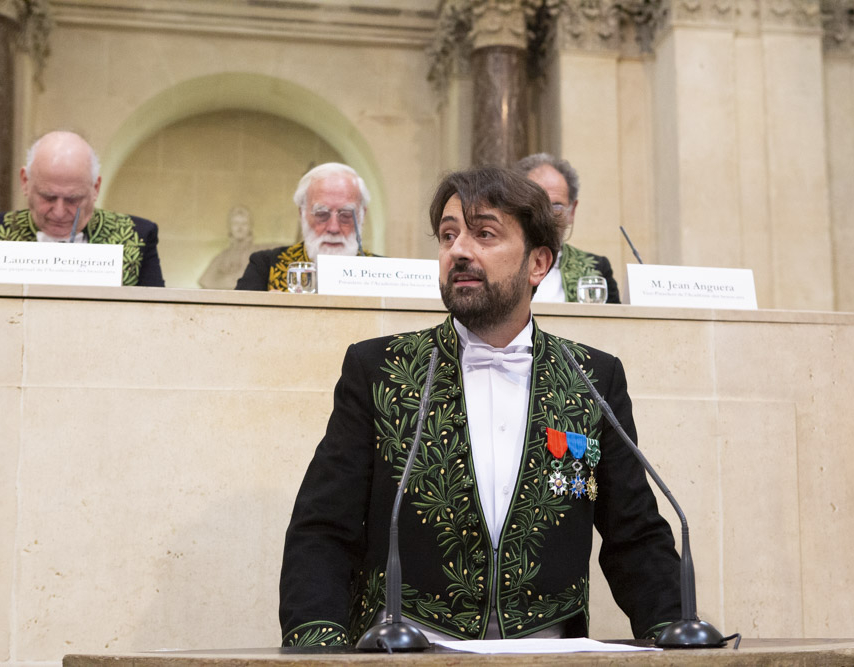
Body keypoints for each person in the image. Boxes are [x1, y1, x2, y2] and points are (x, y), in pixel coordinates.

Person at [279, 166, 680, 647]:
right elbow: (323, 528)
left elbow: (634, 536)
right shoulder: (381, 369)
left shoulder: (591, 378)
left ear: (538, 263)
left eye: (484, 234)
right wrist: (317, 642)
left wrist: (672, 630)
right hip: (404, 654)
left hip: (547, 657)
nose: (459, 251)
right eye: (449, 235)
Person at [0, 131, 164, 287]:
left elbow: (154, 317)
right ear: (25, 182)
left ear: (95, 188)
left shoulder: (138, 236)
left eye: (73, 199)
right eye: (47, 197)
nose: (59, 212)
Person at [235, 163, 374, 291]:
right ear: (302, 214)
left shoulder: (387, 275)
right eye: (321, 214)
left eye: (346, 215)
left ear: (362, 215)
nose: (333, 228)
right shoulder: (264, 266)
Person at [515, 153, 620, 304]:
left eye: (556, 206)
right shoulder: (496, 264)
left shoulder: (597, 269)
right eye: (537, 204)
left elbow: (616, 326)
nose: (547, 216)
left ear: (571, 211)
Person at [198, 205, 271, 290]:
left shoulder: (258, 255)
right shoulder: (221, 257)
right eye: (236, 223)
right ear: (230, 227)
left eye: (244, 223)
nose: (240, 228)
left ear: (250, 227)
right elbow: (206, 283)